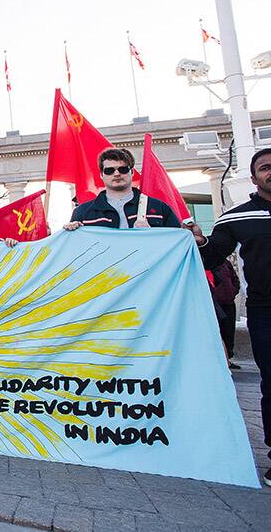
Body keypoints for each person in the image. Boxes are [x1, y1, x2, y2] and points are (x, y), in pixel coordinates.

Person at [186, 148, 271, 486]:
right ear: (254, 178)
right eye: (265, 168)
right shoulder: (237, 218)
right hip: (266, 312)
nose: (270, 172)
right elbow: (209, 257)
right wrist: (197, 240)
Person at [63, 148, 180, 230]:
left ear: (132, 172)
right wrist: (71, 232)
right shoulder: (82, 212)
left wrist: (198, 243)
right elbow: (73, 251)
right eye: (109, 170)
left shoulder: (159, 208)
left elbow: (178, 244)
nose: (117, 174)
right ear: (101, 175)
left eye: (123, 169)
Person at [211, 260, 241, 369]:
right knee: (219, 332)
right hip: (216, 302)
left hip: (228, 302)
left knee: (228, 331)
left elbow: (235, 279)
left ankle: (228, 357)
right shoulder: (208, 263)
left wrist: (233, 291)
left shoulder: (226, 263)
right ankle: (221, 359)